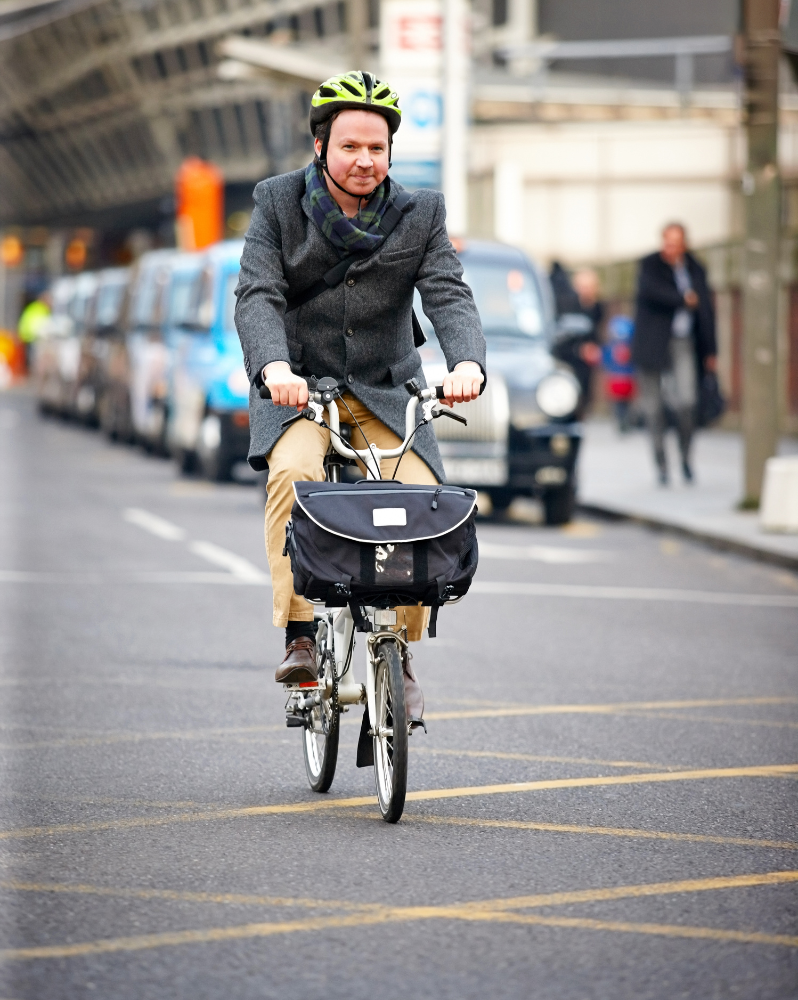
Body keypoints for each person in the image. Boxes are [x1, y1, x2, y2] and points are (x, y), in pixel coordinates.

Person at [234, 71, 486, 725]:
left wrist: (466, 361)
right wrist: (273, 367)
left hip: (383, 388)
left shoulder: (421, 212)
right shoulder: (277, 204)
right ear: (321, 147)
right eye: (351, 147)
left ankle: (399, 649)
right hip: (300, 387)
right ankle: (298, 634)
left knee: (421, 501)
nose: (365, 160)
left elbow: (448, 291)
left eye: (377, 148)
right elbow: (258, 294)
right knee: (294, 473)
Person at [632, 223, 717, 484]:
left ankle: (685, 457)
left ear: (684, 243)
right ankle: (661, 465)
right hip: (653, 344)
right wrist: (683, 299)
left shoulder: (695, 268)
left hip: (685, 343)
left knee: (687, 402)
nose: (670, 248)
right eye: (667, 242)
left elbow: (707, 310)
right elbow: (651, 292)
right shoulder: (649, 265)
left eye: (676, 242)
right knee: (653, 408)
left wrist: (712, 349)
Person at [17, 291, 51, 372]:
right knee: (32, 356)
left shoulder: (33, 306)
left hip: (25, 333)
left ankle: (28, 370)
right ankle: (31, 371)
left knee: (27, 356)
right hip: (32, 335)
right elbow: (42, 325)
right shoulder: (42, 309)